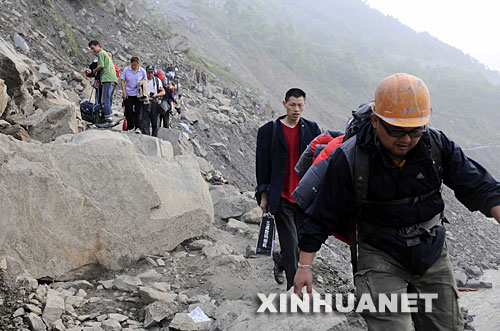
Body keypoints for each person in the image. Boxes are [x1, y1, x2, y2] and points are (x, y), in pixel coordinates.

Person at [294, 73, 500, 330]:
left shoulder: (435, 145)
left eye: (414, 131)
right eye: (396, 131)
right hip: (379, 253)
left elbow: (479, 185)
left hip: (431, 250)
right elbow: (323, 213)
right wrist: (304, 266)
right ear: (376, 121)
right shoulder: (350, 158)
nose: (405, 139)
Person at [255, 88, 321, 290]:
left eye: (300, 105)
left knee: (302, 244)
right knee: (291, 243)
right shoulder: (269, 131)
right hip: (281, 197)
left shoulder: (312, 129)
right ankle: (295, 292)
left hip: (304, 197)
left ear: (305, 105)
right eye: (292, 105)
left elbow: (320, 162)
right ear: (284, 104)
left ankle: (281, 259)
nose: (296, 109)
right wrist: (263, 194)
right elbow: (262, 165)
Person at [88, 40, 118, 124]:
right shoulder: (105, 54)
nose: (93, 50)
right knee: (106, 99)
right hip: (111, 78)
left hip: (107, 78)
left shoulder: (101, 53)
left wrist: (94, 71)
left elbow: (101, 66)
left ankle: (109, 118)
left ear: (98, 45)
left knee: (105, 100)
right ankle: (106, 117)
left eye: (93, 48)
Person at [120, 56, 147, 133]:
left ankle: (138, 127)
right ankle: (130, 126)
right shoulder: (126, 70)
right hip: (128, 93)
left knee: (139, 111)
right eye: (132, 65)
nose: (134, 66)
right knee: (128, 111)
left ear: (138, 63)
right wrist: (124, 92)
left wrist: (142, 82)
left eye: (135, 65)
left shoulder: (142, 71)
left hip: (139, 94)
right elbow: (122, 81)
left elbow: (145, 81)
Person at [142, 65, 165, 136]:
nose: (150, 74)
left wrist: (156, 95)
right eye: (148, 72)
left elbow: (163, 92)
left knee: (155, 122)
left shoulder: (157, 80)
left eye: (151, 72)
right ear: (146, 72)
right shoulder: (142, 81)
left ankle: (155, 136)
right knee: (145, 122)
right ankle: (146, 137)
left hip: (154, 102)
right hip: (145, 102)